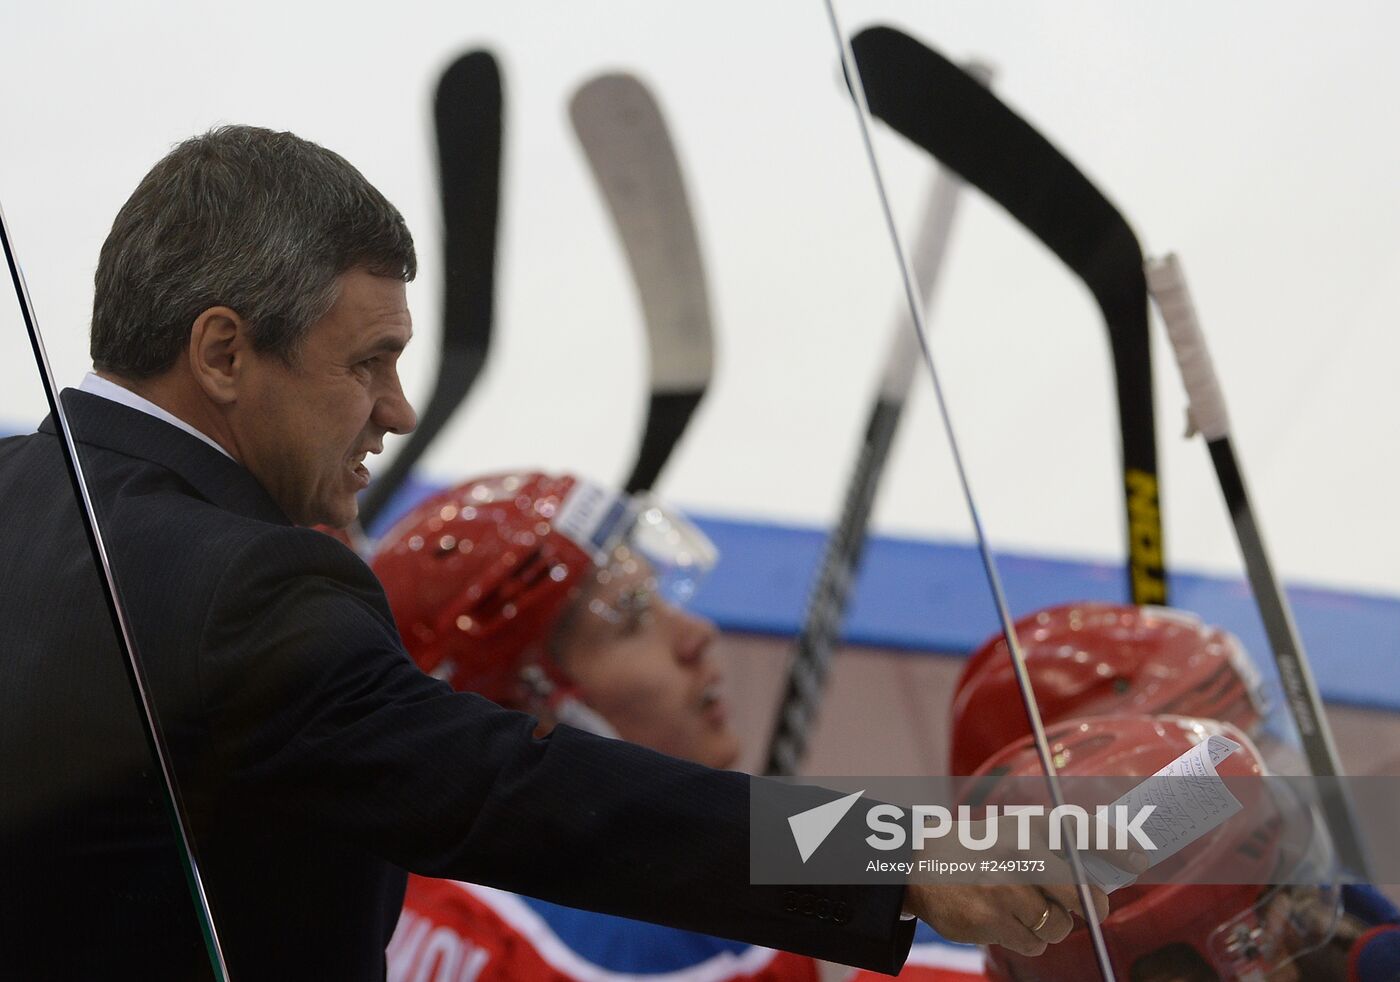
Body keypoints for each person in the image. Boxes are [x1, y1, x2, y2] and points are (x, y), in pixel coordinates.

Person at [0, 125, 1106, 979]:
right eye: (370, 361)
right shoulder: (245, 585)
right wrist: (890, 851)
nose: (395, 409)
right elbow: (518, 790)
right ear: (225, 351)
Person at [369, 471, 817, 981]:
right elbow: (760, 843)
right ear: (530, 713)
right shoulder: (642, 955)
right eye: (630, 620)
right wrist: (909, 848)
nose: (697, 635)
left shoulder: (387, 877)